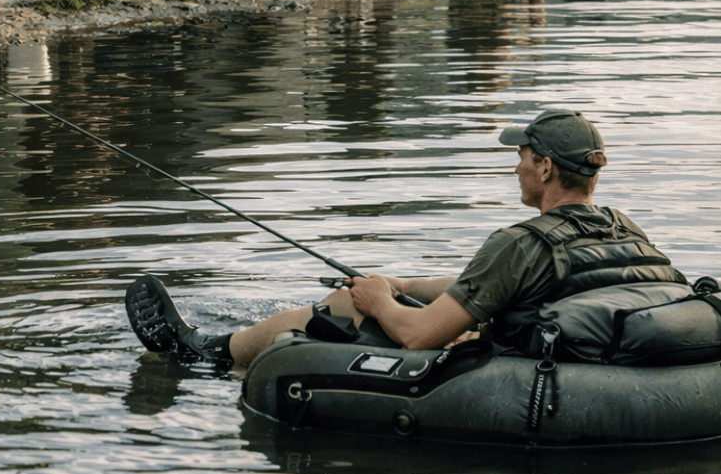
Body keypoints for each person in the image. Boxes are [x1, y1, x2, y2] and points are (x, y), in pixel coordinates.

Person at [125, 108, 688, 367]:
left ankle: (207, 354)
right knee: (381, 294)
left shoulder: (522, 243)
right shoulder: (624, 230)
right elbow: (490, 286)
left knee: (348, 303)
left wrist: (377, 299)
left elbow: (419, 337)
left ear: (544, 168)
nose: (515, 166)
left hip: (541, 371)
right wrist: (399, 281)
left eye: (520, 155)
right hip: (596, 355)